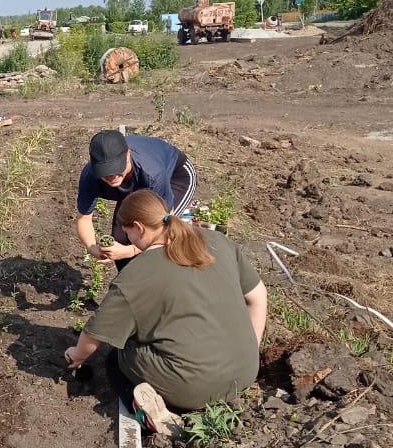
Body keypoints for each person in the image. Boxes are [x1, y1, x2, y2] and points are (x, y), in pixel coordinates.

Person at [65, 190, 267, 430]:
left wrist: (76, 356)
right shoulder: (217, 240)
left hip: (192, 389)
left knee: (115, 357)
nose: (127, 239)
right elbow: (258, 297)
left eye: (127, 233)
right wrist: (248, 351)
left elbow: (96, 335)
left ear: (138, 227)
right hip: (244, 373)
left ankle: (151, 416)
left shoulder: (136, 274)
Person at [76, 130, 198, 269]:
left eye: (117, 168)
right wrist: (93, 248)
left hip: (175, 177)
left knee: (158, 241)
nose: (112, 176)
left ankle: (166, 278)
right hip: (137, 186)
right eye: (105, 172)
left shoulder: (152, 174)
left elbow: (164, 226)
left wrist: (130, 251)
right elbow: (83, 219)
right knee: (121, 238)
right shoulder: (90, 176)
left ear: (128, 154)